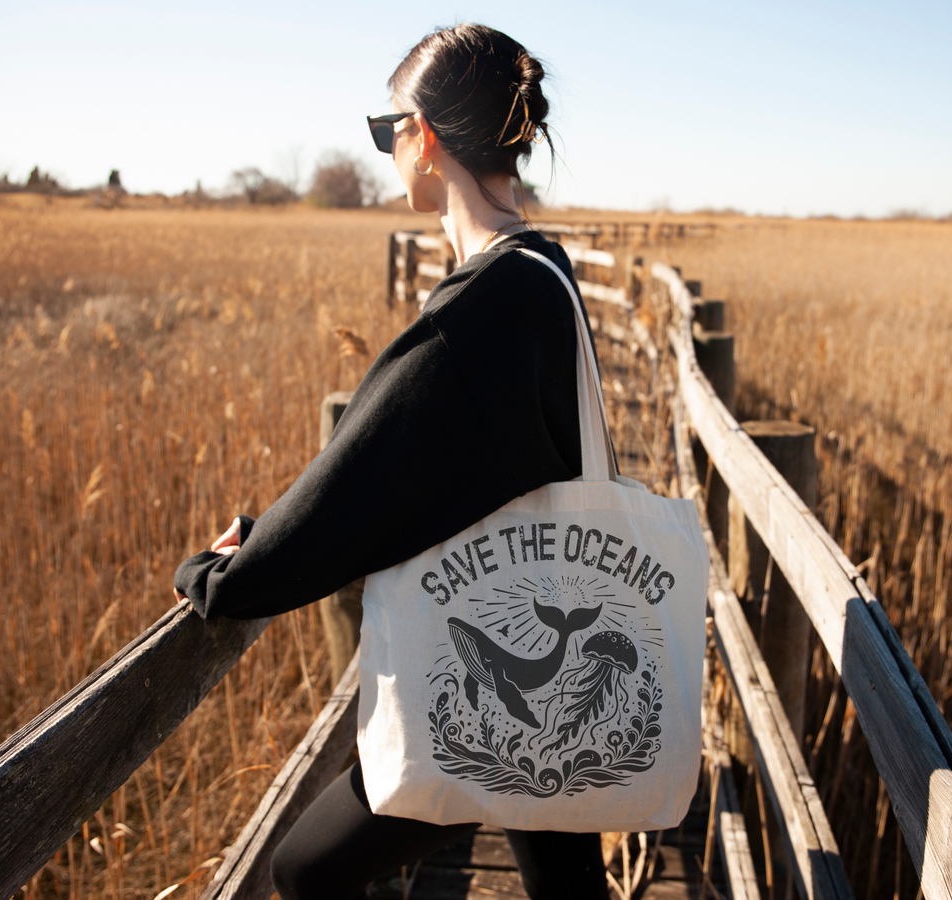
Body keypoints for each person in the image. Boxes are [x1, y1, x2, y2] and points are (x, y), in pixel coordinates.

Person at [174, 23, 610, 900]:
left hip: (489, 684)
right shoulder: (543, 271)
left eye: (387, 130)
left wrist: (225, 573)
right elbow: (447, 475)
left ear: (427, 137)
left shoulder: (478, 308)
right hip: (553, 650)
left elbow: (357, 487)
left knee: (305, 872)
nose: (386, 152)